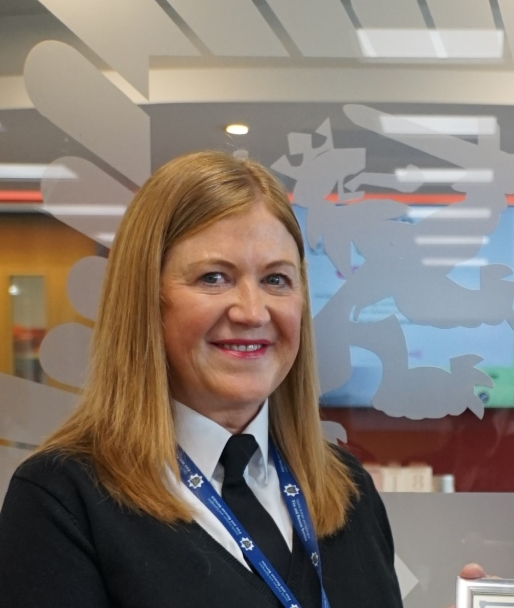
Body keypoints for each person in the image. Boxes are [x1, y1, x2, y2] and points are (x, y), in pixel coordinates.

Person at [0, 151, 404, 607]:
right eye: (214, 278)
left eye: (276, 280)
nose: (252, 312)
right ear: (147, 300)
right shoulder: (62, 500)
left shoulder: (347, 489)